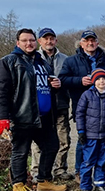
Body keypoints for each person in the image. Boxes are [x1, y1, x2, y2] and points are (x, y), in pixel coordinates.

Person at [0, 28, 67, 191]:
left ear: (36, 42)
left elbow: (43, 87)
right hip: (22, 116)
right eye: (25, 40)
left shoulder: (41, 62)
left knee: (51, 147)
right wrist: (2, 118)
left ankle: (43, 181)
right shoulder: (9, 62)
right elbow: (1, 92)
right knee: (20, 152)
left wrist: (55, 85)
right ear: (17, 43)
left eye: (32, 40)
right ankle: (18, 186)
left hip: (44, 117)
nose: (29, 43)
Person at [59, 30, 105, 179]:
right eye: (87, 41)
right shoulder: (71, 61)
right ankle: (80, 171)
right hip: (83, 108)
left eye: (93, 40)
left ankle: (104, 168)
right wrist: (79, 81)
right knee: (84, 140)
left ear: (97, 43)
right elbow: (62, 80)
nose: (90, 43)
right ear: (81, 43)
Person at [30, 27, 73, 180]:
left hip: (61, 104)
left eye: (51, 38)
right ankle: (37, 172)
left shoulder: (66, 59)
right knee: (39, 142)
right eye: (45, 38)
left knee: (63, 139)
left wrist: (62, 83)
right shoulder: (32, 59)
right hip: (40, 107)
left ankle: (60, 170)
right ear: (39, 41)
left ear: (56, 40)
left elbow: (70, 80)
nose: (49, 41)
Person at [75, 69, 105, 191]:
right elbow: (80, 114)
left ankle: (100, 183)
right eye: (99, 79)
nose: (101, 81)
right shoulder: (87, 95)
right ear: (94, 81)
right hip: (90, 135)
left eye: (104, 79)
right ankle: (85, 186)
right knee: (88, 161)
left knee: (103, 161)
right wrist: (81, 131)